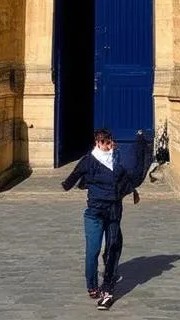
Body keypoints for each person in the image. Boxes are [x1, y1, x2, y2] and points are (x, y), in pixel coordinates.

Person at [61, 127, 149, 310]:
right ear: (97, 143)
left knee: (113, 247)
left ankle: (108, 286)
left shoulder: (117, 158)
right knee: (92, 250)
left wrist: (133, 190)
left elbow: (127, 175)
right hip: (95, 212)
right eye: (104, 142)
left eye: (109, 141)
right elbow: (73, 177)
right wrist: (67, 185)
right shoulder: (88, 161)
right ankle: (92, 285)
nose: (108, 145)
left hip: (114, 211)